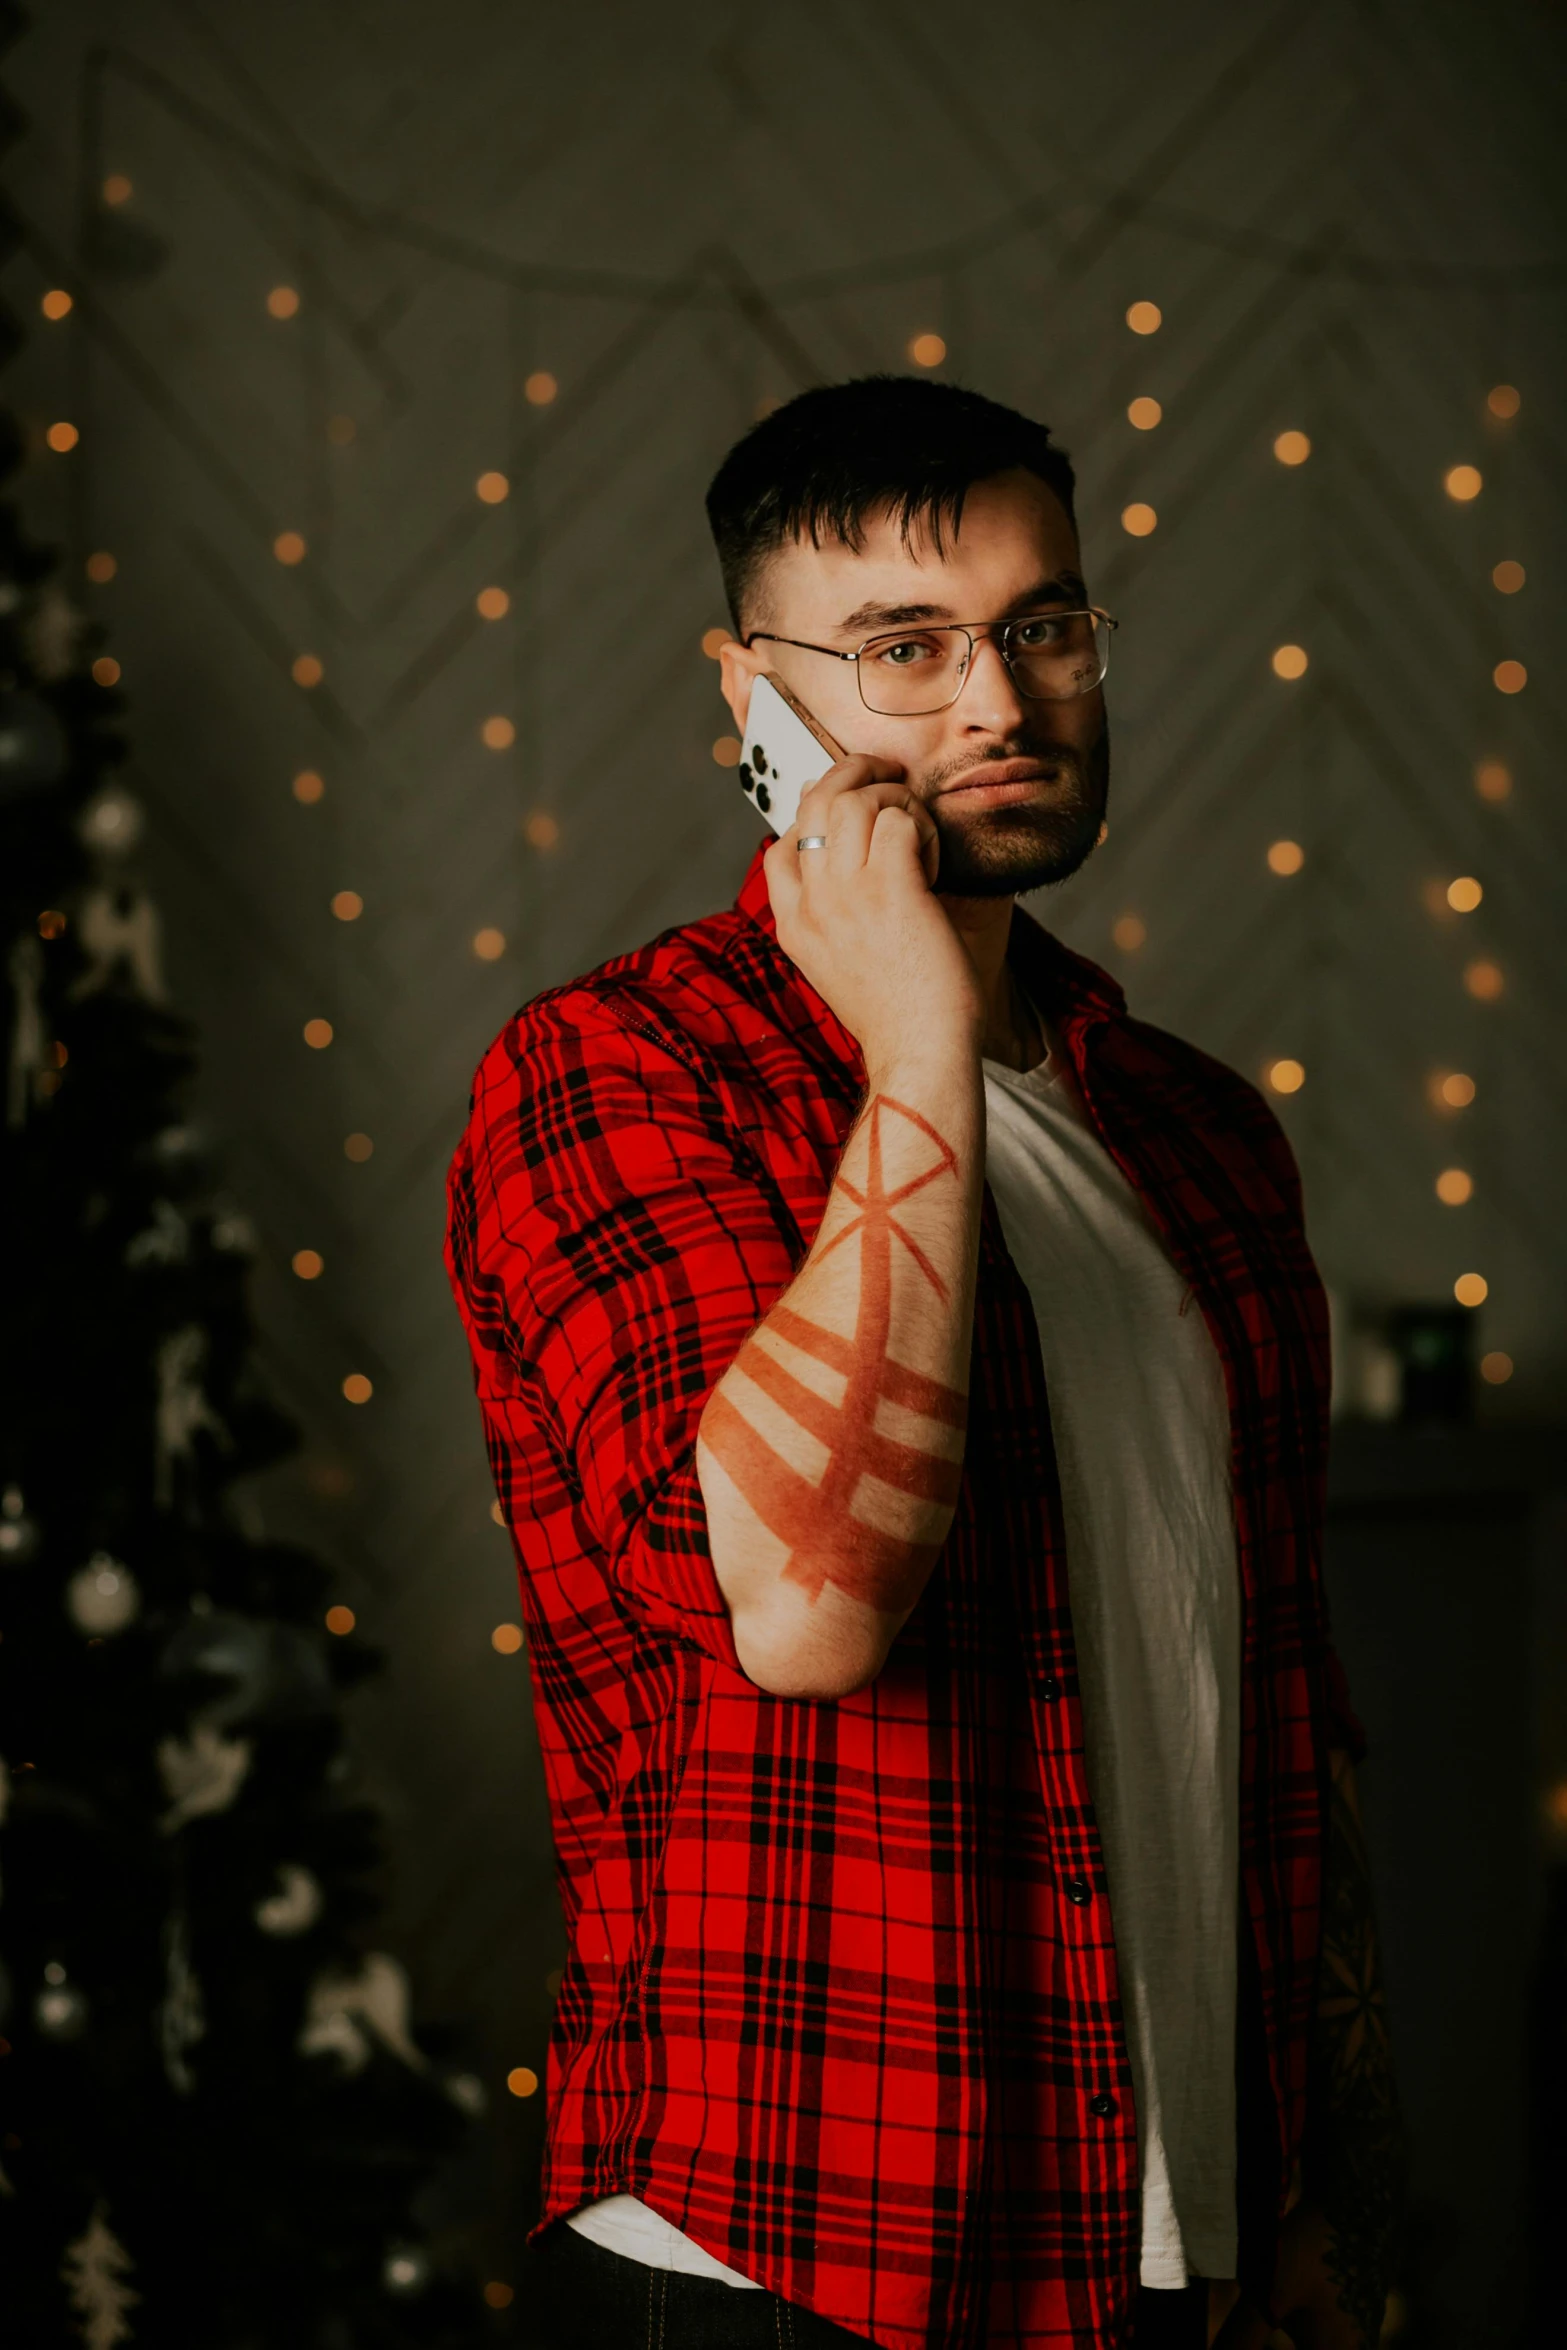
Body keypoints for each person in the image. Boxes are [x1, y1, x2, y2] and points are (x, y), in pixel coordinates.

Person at [445, 377, 1402, 2350]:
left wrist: (1323, 2183)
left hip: (1173, 2251)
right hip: (795, 2247)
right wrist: (907, 1046)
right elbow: (805, 1606)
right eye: (904, 645)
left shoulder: (1205, 1132)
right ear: (752, 694)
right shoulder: (617, 1073)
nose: (1000, 703)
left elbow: (1281, 1693)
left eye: (1043, 625)